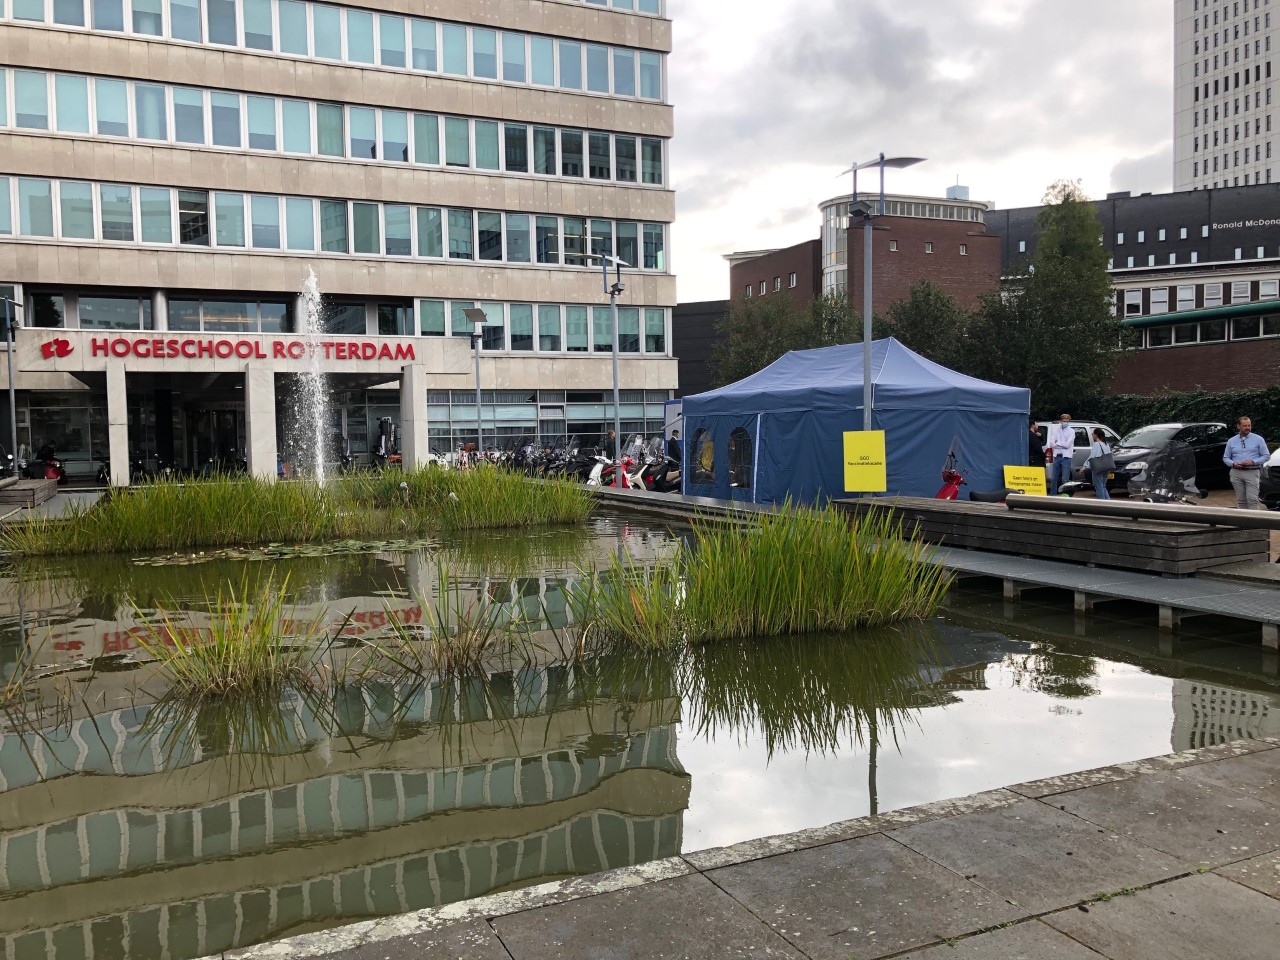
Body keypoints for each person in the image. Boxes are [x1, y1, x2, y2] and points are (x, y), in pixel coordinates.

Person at [1223, 415, 1270, 509]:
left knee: (1252, 499)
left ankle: (1254, 522)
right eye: (1245, 426)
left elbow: (1266, 456)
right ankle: (1243, 522)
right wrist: (1233, 463)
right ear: (1238, 426)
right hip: (1236, 472)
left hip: (1252, 472)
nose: (1247, 428)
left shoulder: (1258, 439)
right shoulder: (1231, 441)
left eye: (1249, 425)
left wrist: (1253, 462)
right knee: (1241, 500)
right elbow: (1226, 457)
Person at [1047, 414, 1075, 496]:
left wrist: (1058, 443)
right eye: (1064, 421)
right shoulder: (1056, 430)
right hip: (1057, 456)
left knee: (1065, 479)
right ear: (1061, 421)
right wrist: (1061, 444)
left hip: (1066, 457)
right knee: (1053, 478)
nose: (1065, 422)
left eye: (1067, 421)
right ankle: (1052, 496)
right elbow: (1051, 443)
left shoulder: (1071, 431)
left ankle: (1065, 495)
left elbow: (1068, 445)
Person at [1081, 427, 1113, 500]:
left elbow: (1092, 456)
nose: (1092, 435)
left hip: (1098, 468)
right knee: (1103, 486)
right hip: (1107, 467)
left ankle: (1101, 504)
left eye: (1093, 434)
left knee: (1098, 486)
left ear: (1096, 435)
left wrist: (1085, 466)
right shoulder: (1106, 444)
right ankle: (1108, 503)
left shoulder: (1097, 444)